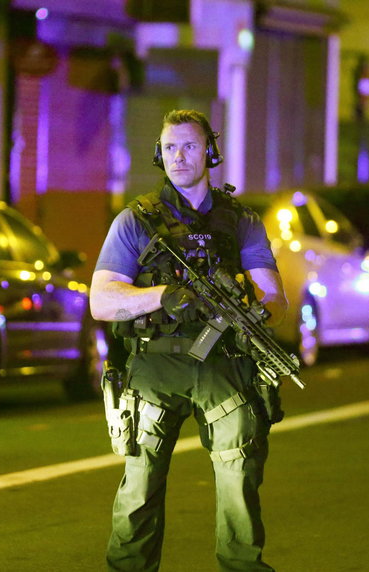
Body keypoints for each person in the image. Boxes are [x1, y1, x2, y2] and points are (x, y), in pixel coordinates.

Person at [90, 109, 287, 571]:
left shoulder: (239, 220)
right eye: (170, 147)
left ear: (210, 152)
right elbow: (101, 300)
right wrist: (164, 296)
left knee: (240, 481)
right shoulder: (135, 221)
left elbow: (276, 296)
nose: (179, 156)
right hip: (155, 367)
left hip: (223, 364)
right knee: (139, 488)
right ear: (159, 153)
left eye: (191, 146)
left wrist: (257, 311)